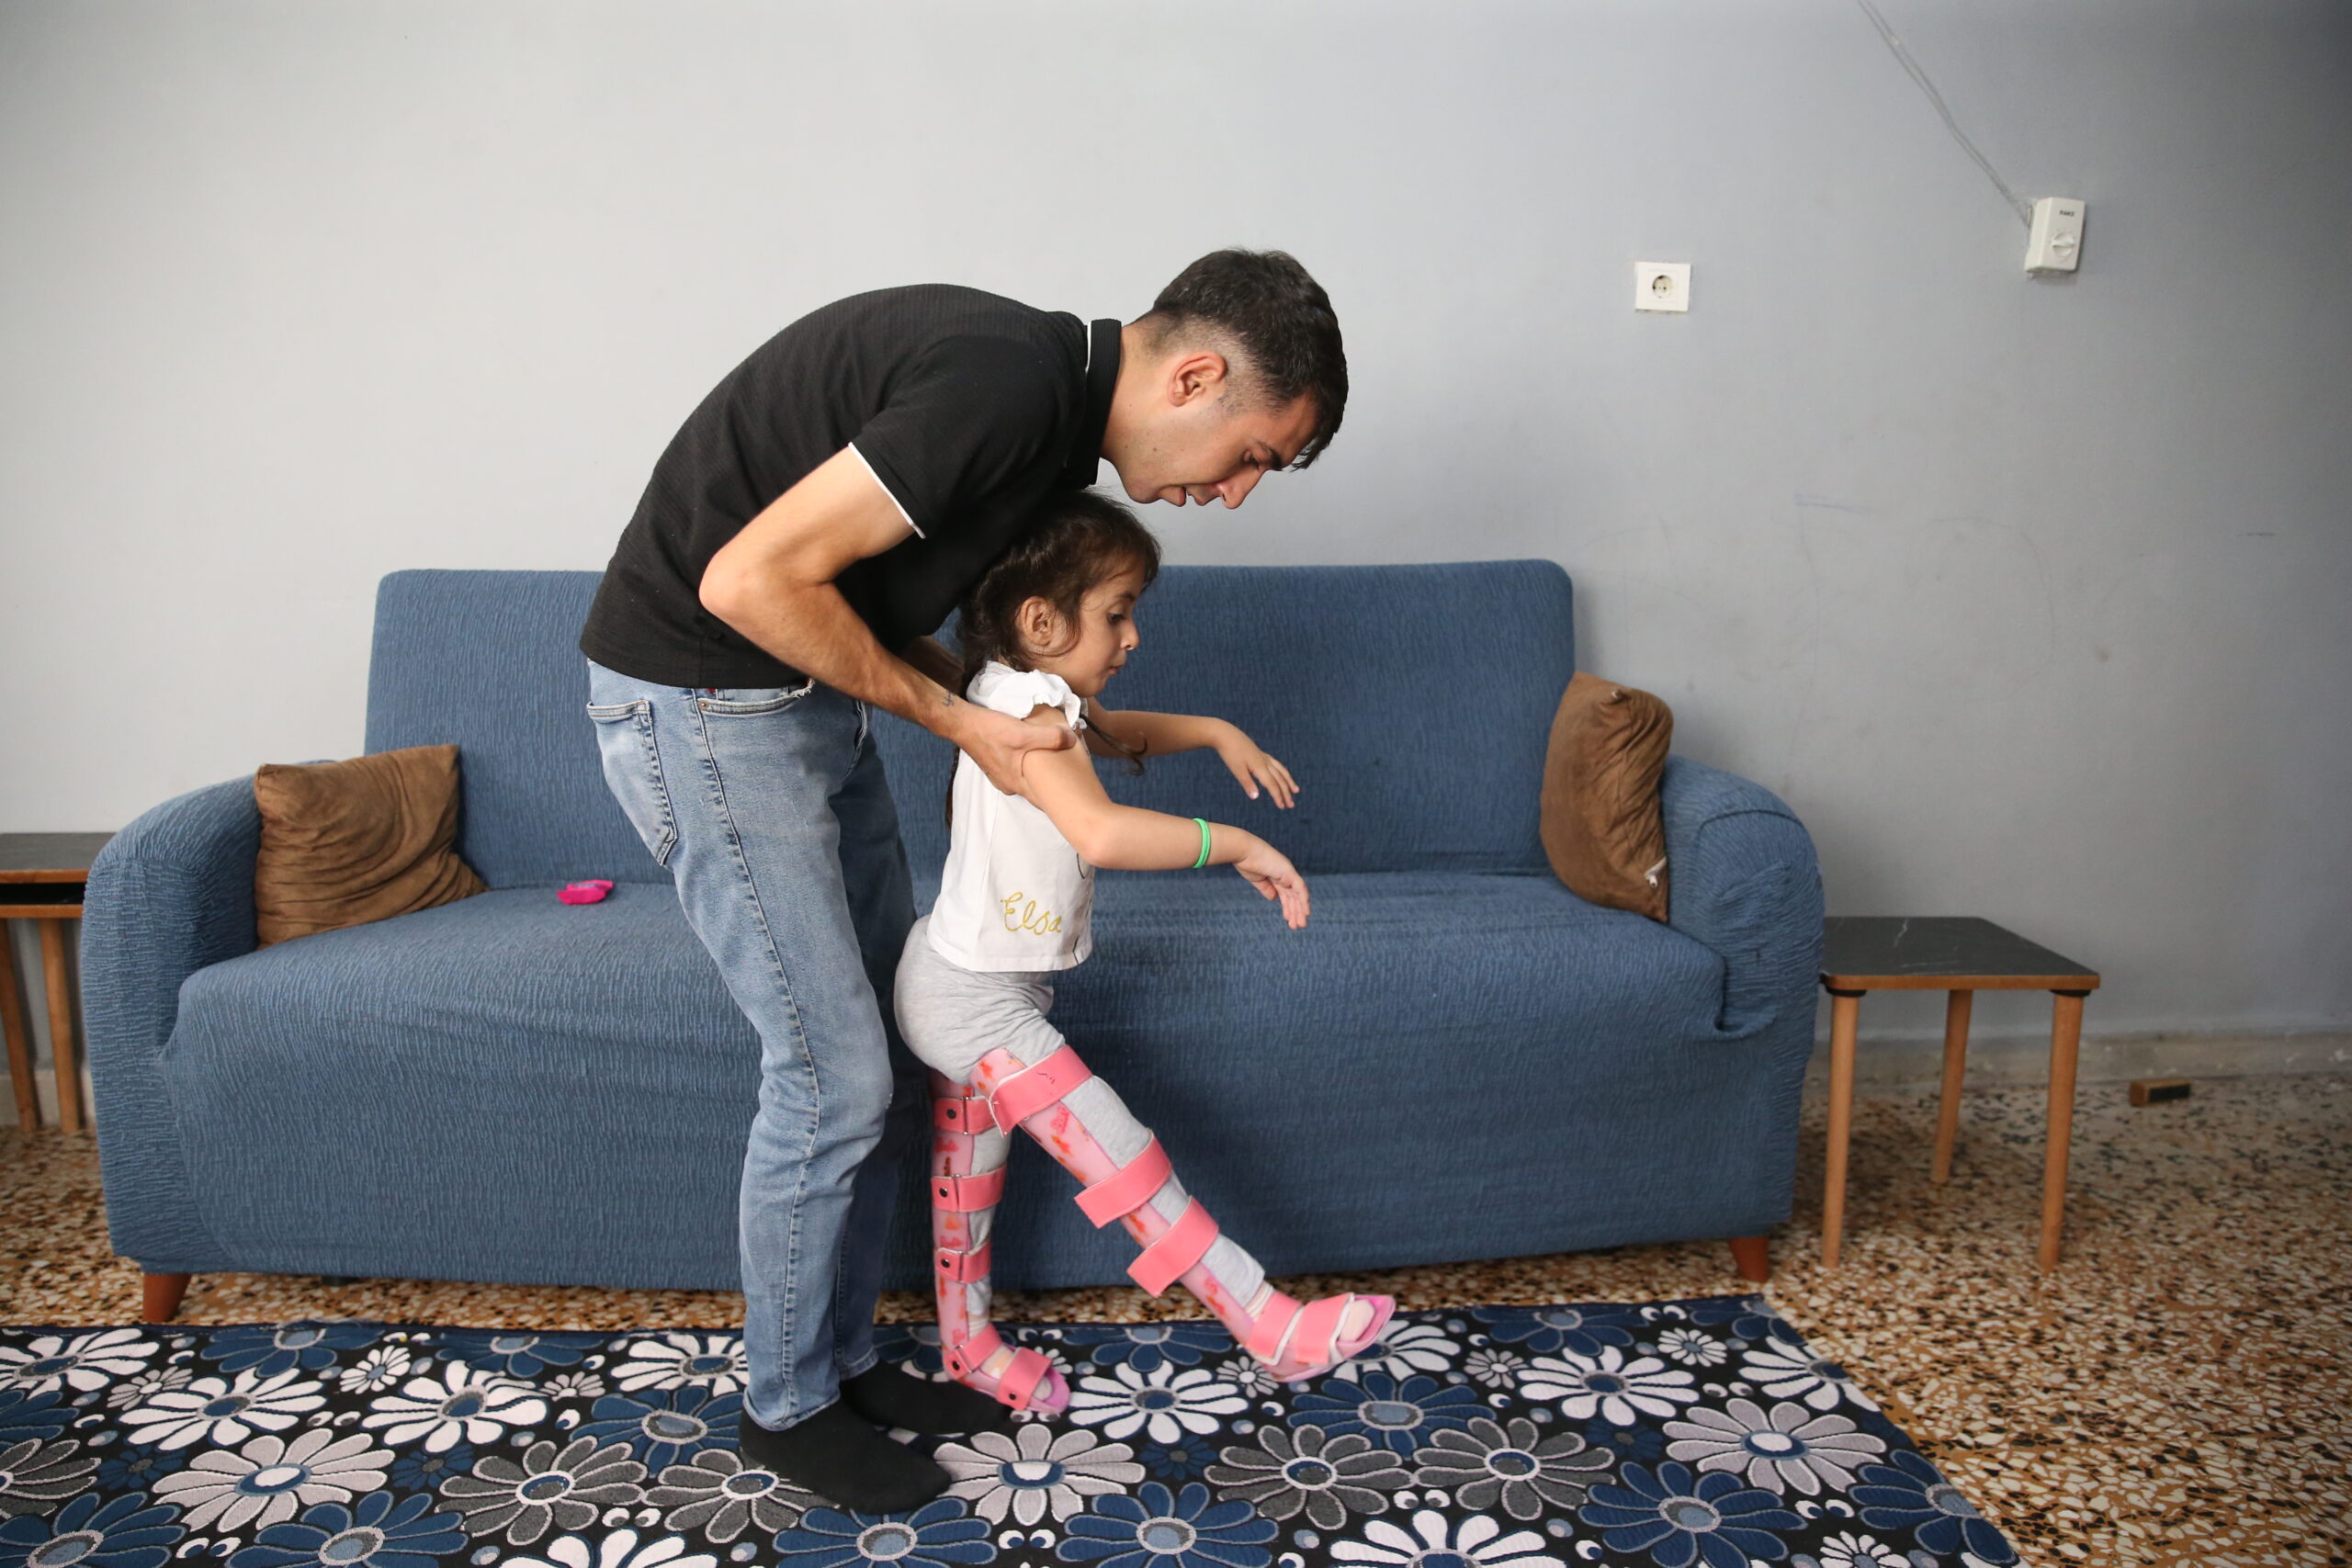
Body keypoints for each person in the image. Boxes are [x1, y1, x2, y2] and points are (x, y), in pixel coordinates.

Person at [576, 250, 1347, 1511]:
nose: (1238, 490)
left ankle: (847, 1366)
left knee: (882, 1051)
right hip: (705, 700)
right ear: (1195, 377)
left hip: (797, 693)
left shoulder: (1048, 438)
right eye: (1254, 452)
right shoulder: (1007, 385)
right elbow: (745, 581)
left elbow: (865, 606)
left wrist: (988, 711)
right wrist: (962, 722)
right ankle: (785, 1406)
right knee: (829, 1075)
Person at [898, 491, 1394, 1418]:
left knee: (969, 1184)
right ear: (1041, 622)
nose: (1132, 637)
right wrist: (1236, 842)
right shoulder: (1028, 710)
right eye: (1117, 613)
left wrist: (1214, 731)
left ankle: (968, 1347)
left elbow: (1116, 735)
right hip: (972, 1002)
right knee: (1120, 1157)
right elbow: (1101, 832)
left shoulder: (1021, 693)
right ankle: (1265, 1322)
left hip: (968, 982)